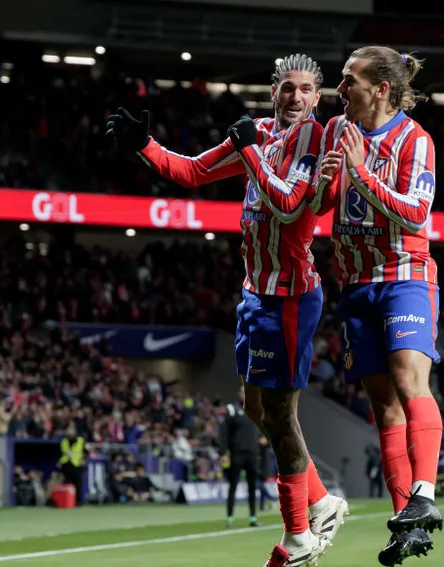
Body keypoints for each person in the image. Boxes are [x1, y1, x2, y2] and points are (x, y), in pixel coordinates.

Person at [106, 53, 347, 567]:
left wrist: (252, 152)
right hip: (255, 294)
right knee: (255, 408)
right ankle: (322, 500)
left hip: (290, 298)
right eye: (287, 88)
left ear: (317, 98)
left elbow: (288, 204)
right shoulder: (258, 132)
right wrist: (142, 145)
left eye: (306, 89)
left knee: (281, 417)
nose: (296, 98)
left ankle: (299, 538)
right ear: (274, 91)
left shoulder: (317, 141)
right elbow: (192, 172)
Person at [311, 45, 442, 565]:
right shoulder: (334, 133)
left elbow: (414, 214)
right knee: (383, 406)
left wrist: (362, 173)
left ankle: (425, 495)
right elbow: (324, 206)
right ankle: (404, 522)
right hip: (355, 282)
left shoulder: (415, 140)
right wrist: (324, 184)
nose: (339, 90)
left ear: (381, 89)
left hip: (404, 274)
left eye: (349, 81)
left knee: (411, 380)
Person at [221, 400, 262, 527]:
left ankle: (253, 518)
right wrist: (224, 453)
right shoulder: (233, 410)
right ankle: (229, 518)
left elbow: (262, 428)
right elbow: (224, 432)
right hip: (236, 453)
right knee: (233, 486)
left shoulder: (256, 410)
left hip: (251, 454)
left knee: (252, 487)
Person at [58, 425, 85, 503]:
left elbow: (84, 452)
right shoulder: (64, 441)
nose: (70, 431)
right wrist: (59, 462)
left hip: (77, 465)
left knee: (78, 485)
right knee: (67, 484)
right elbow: (60, 453)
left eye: (71, 429)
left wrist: (83, 460)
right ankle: (67, 501)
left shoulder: (80, 440)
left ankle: (78, 502)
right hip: (66, 465)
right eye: (68, 429)